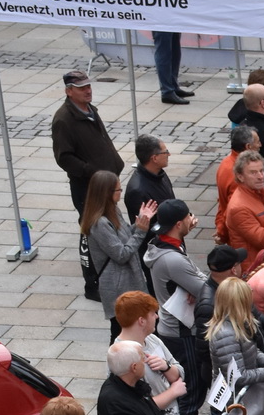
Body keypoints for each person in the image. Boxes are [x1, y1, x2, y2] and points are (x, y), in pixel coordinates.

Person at [143, 199, 211, 415]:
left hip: (176, 328)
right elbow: (206, 286)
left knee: (190, 389)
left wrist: (194, 284)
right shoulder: (172, 259)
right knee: (191, 393)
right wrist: (197, 287)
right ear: (179, 223)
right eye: (189, 217)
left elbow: (197, 277)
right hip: (182, 332)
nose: (193, 219)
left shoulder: (166, 244)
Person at [51, 70, 124, 298]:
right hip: (88, 187)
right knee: (90, 233)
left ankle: (110, 275)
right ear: (69, 91)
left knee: (108, 229)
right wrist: (92, 172)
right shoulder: (64, 119)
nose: (88, 90)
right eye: (81, 88)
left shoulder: (90, 110)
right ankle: (92, 284)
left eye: (88, 86)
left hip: (105, 182)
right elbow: (64, 158)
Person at [82, 170, 155, 338]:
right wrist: (141, 232)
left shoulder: (113, 210)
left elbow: (124, 236)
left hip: (129, 282)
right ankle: (117, 363)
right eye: (118, 190)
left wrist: (138, 224)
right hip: (119, 288)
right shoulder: (99, 223)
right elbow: (121, 254)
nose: (121, 193)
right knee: (121, 332)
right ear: (107, 193)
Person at [114, 291, 186, 415]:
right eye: (153, 313)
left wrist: (166, 367)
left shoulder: (152, 339)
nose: (157, 317)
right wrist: (173, 392)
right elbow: (137, 408)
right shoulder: (122, 356)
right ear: (142, 321)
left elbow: (179, 372)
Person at [209, 277, 264, 397]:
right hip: (233, 404)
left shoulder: (239, 323)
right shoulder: (226, 336)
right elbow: (238, 376)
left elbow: (252, 351)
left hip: (243, 397)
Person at [222, 152, 264, 268]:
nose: (260, 176)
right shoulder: (238, 207)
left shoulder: (261, 191)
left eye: (261, 171)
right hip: (254, 268)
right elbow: (262, 239)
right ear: (240, 176)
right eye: (253, 173)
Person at [125, 135, 175, 220]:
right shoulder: (137, 191)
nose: (169, 154)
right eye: (165, 152)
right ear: (154, 158)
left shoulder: (159, 173)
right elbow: (145, 227)